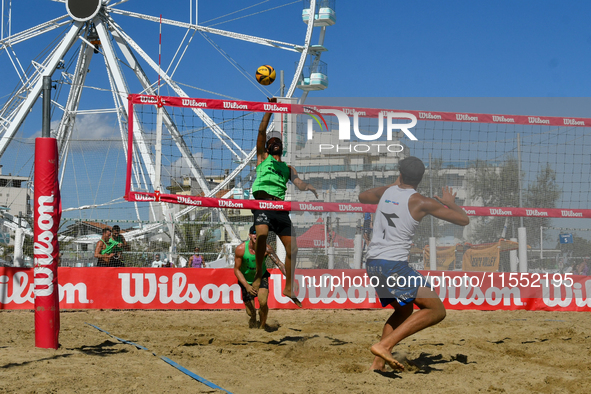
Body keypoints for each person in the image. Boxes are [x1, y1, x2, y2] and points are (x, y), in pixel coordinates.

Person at [358, 156, 469, 371]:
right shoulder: (422, 201)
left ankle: (377, 364)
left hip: (373, 264)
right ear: (421, 179)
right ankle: (384, 346)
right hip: (393, 265)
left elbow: (362, 196)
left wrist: (394, 185)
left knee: (403, 310)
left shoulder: (385, 192)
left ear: (399, 173)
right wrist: (452, 203)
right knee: (436, 309)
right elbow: (463, 220)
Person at [250, 98, 318, 307]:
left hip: (280, 208)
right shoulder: (262, 157)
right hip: (262, 203)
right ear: (268, 148)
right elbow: (262, 133)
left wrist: (309, 187)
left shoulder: (288, 168)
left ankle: (289, 286)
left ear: (281, 147)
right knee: (261, 234)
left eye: (277, 141)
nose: (273, 142)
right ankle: (259, 272)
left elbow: (298, 184)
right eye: (271, 141)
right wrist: (270, 109)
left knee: (293, 249)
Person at [234, 225, 287, 329]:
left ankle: (262, 326)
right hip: (246, 280)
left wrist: (290, 278)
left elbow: (279, 264)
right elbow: (236, 270)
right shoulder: (241, 249)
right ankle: (253, 317)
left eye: (259, 233)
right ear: (250, 235)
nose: (256, 235)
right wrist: (247, 286)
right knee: (250, 312)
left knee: (263, 302)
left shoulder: (267, 248)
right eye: (254, 233)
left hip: (261, 276)